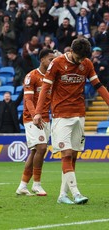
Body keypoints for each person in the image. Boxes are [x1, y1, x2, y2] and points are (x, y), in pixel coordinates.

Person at [33, 38, 109, 205]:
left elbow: (98, 85)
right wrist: (38, 112)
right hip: (61, 116)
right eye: (78, 57)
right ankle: (76, 193)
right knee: (66, 153)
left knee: (73, 156)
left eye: (83, 58)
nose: (81, 60)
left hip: (80, 114)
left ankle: (62, 195)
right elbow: (45, 88)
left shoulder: (87, 64)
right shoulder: (57, 63)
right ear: (71, 51)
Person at [16, 49, 57, 197]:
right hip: (31, 117)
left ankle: (22, 185)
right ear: (42, 59)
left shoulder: (52, 77)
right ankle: (37, 184)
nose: (52, 62)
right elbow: (28, 100)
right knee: (41, 147)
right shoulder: (31, 76)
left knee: (35, 151)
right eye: (50, 59)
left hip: (46, 118)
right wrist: (35, 115)